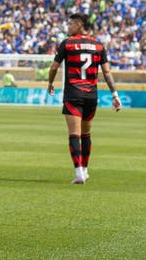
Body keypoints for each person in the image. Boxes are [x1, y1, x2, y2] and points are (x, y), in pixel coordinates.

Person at [47, 12, 121, 185]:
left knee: (74, 134)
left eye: (71, 24)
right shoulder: (98, 45)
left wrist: (50, 83)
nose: (68, 27)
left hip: (73, 93)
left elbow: (54, 67)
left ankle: (78, 171)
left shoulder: (67, 43)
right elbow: (107, 73)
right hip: (91, 95)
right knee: (86, 133)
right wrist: (115, 95)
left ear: (79, 24)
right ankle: (85, 170)